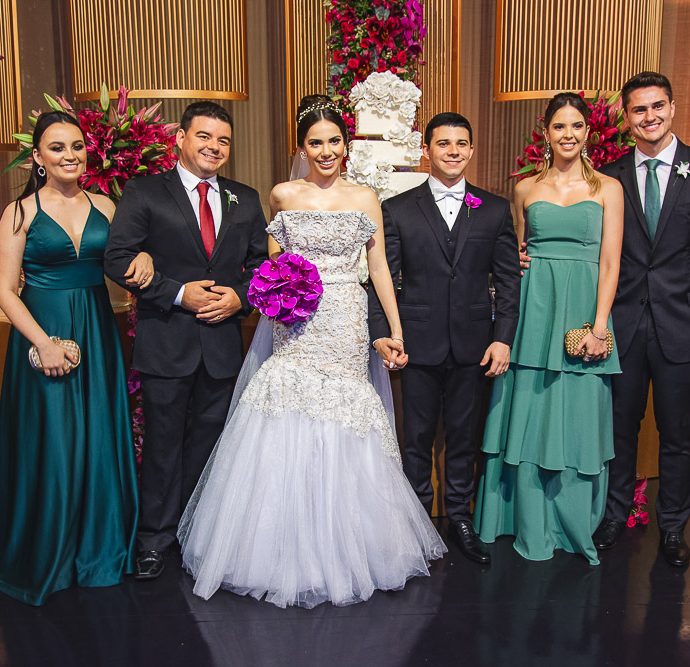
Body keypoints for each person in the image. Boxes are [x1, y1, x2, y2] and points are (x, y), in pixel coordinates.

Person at [177, 95, 446, 608]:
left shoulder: (366, 198)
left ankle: (352, 546)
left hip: (345, 316)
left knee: (345, 413)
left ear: (346, 146)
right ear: (302, 148)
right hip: (297, 321)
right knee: (288, 408)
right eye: (316, 142)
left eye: (334, 141)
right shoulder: (282, 195)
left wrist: (395, 328)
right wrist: (278, 298)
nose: (326, 151)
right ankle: (278, 547)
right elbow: (272, 266)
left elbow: (379, 269)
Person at [104, 102, 267, 580]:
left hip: (222, 347)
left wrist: (240, 298)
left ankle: (199, 536)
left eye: (223, 140)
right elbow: (117, 258)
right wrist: (178, 293)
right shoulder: (146, 192)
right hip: (167, 342)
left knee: (210, 446)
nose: (214, 147)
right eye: (204, 136)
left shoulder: (244, 198)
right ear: (180, 138)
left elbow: (262, 267)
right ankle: (154, 539)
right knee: (162, 446)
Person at [0, 111, 147, 605]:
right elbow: (5, 290)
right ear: (38, 157)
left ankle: (98, 551)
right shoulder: (19, 213)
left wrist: (145, 257)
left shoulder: (105, 204)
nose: (70, 155)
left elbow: (126, 260)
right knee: (54, 442)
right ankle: (50, 555)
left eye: (77, 146)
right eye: (57, 147)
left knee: (99, 435)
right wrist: (42, 342)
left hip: (97, 329)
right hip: (41, 329)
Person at [476, 92, 624, 565]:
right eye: (559, 126)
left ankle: (571, 521)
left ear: (588, 132)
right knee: (530, 407)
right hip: (534, 311)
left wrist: (598, 326)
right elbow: (515, 251)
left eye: (576, 125)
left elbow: (610, 262)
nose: (568, 134)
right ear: (546, 132)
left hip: (582, 311)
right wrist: (517, 261)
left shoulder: (608, 188)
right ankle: (524, 517)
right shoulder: (524, 189)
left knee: (578, 410)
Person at [368, 112, 522, 565]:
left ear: (471, 150)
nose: (453, 151)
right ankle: (415, 522)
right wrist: (382, 334)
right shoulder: (397, 208)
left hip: (475, 346)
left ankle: (459, 517)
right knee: (415, 438)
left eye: (461, 144)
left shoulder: (494, 209)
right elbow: (380, 279)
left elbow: (508, 281)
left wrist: (503, 338)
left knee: (463, 437)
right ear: (427, 150)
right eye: (443, 143)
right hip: (416, 344)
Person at [592, 72, 690, 567]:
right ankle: (614, 515)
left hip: (681, 326)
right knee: (618, 430)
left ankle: (672, 528)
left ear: (672, 107)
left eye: (657, 106)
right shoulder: (608, 178)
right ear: (627, 118)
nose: (649, 117)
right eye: (638, 110)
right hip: (623, 323)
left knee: (679, 437)